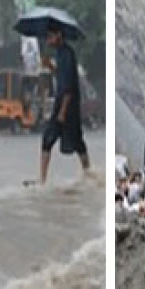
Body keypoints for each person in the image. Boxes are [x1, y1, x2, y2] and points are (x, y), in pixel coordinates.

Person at [37, 22, 90, 185]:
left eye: (50, 36)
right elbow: (61, 77)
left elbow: (67, 86)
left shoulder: (67, 54)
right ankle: (43, 180)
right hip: (64, 104)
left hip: (67, 106)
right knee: (51, 139)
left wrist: (62, 112)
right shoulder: (60, 54)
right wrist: (50, 67)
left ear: (59, 35)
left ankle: (88, 173)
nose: (48, 40)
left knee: (75, 141)